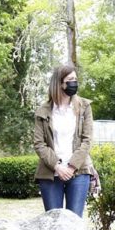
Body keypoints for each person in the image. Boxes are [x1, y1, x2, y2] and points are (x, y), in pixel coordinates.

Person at [33, 64, 94, 217]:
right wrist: (58, 167)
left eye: (76, 79)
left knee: (74, 223)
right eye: (70, 79)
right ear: (59, 83)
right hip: (50, 174)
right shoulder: (43, 111)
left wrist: (72, 167)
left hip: (79, 173)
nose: (74, 83)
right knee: (53, 222)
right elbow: (39, 144)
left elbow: (87, 140)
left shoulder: (84, 107)